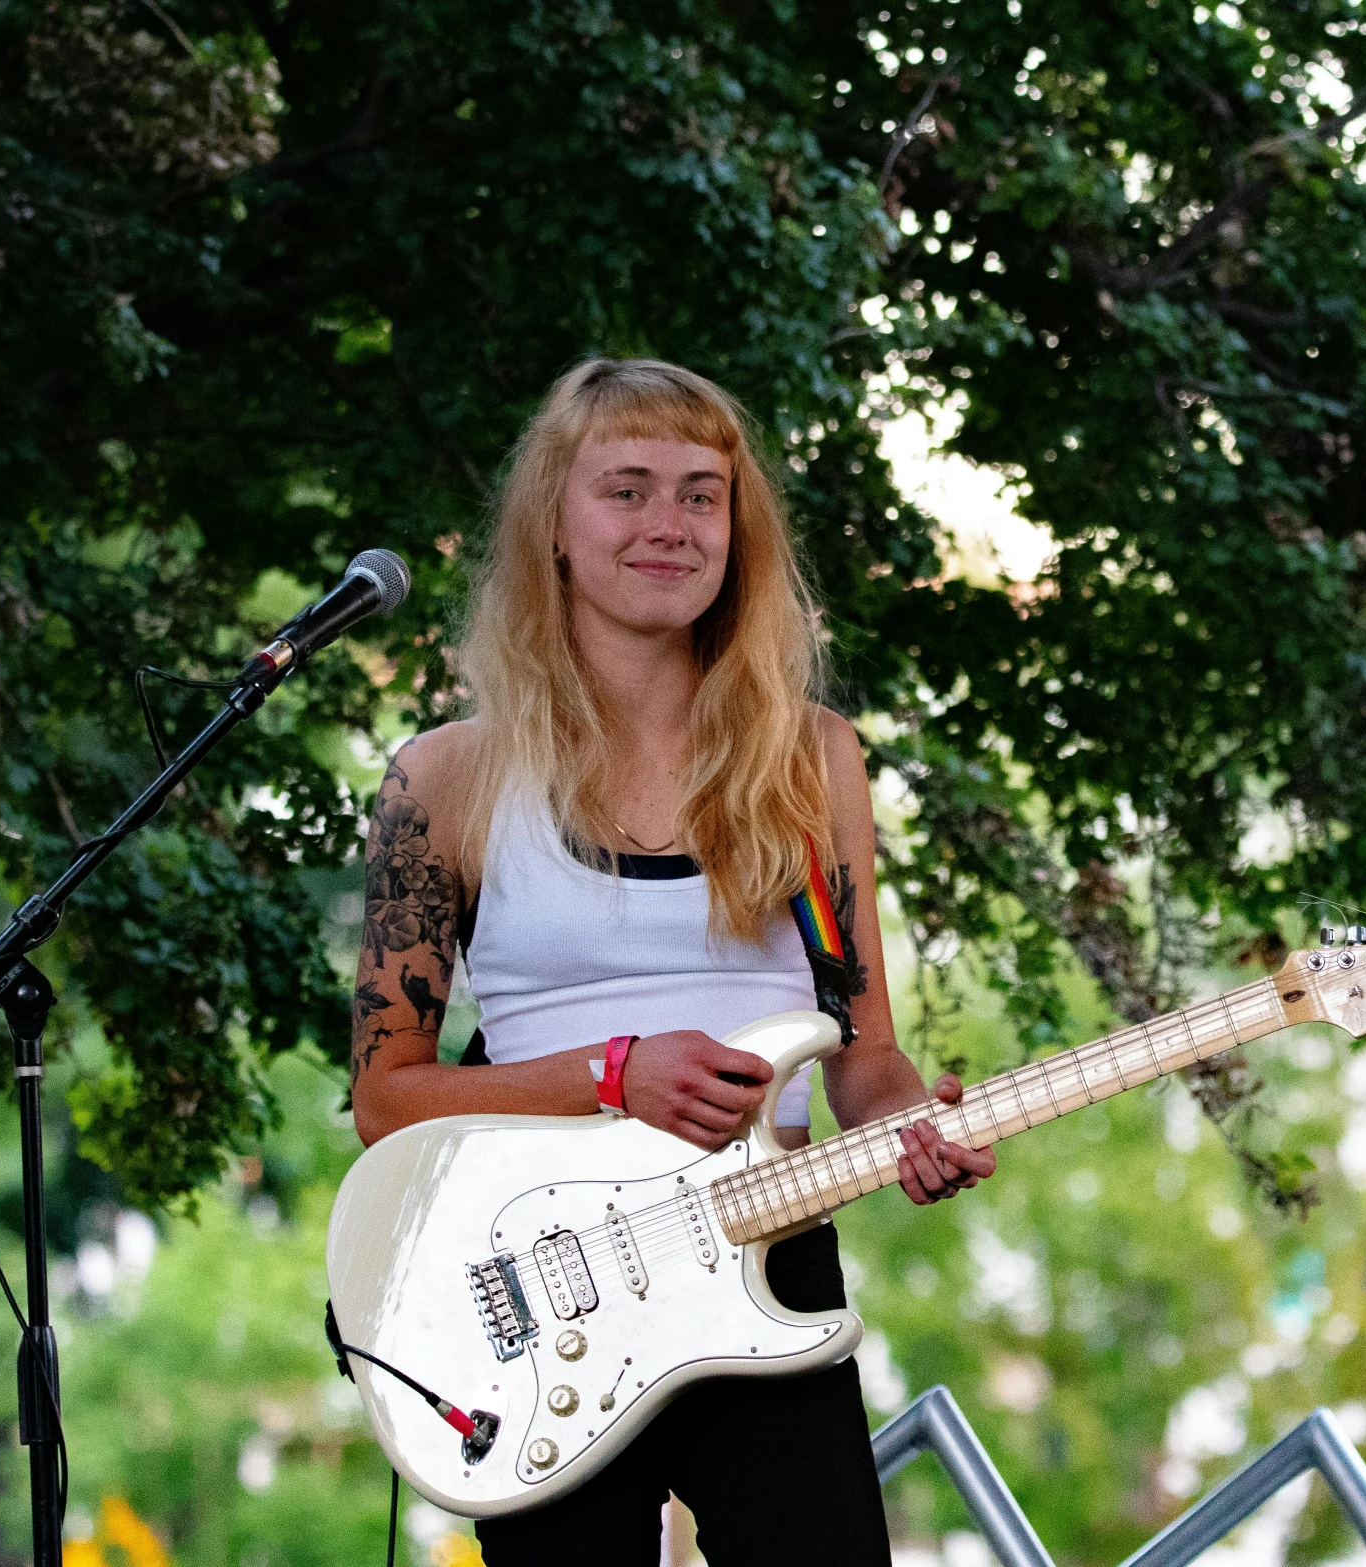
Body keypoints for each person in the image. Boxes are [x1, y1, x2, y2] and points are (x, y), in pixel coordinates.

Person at [347, 357, 996, 1565]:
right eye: (628, 489)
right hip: (539, 1291)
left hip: (766, 1248)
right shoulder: (444, 781)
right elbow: (386, 1098)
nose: (670, 525)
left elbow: (864, 1052)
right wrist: (612, 1073)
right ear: (553, 522)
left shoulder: (810, 761)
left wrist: (911, 1120)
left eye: (702, 494)